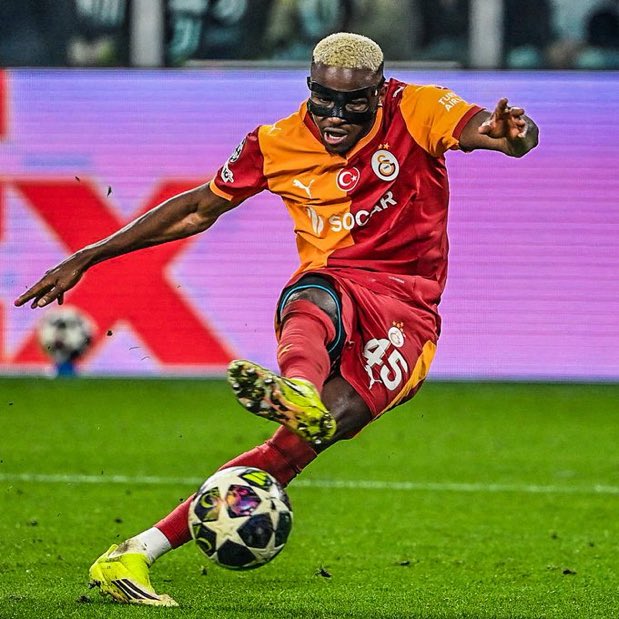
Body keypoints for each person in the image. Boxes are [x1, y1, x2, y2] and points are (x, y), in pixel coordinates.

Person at [14, 32, 539, 606]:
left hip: (408, 313)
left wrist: (514, 136)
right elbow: (196, 209)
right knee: (315, 295)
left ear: (379, 92)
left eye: (354, 103)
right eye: (324, 99)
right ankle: (297, 389)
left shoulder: (418, 108)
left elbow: (492, 131)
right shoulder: (274, 143)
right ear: (309, 88)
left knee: (298, 444)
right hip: (336, 280)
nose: (335, 115)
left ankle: (133, 552)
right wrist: (87, 256)